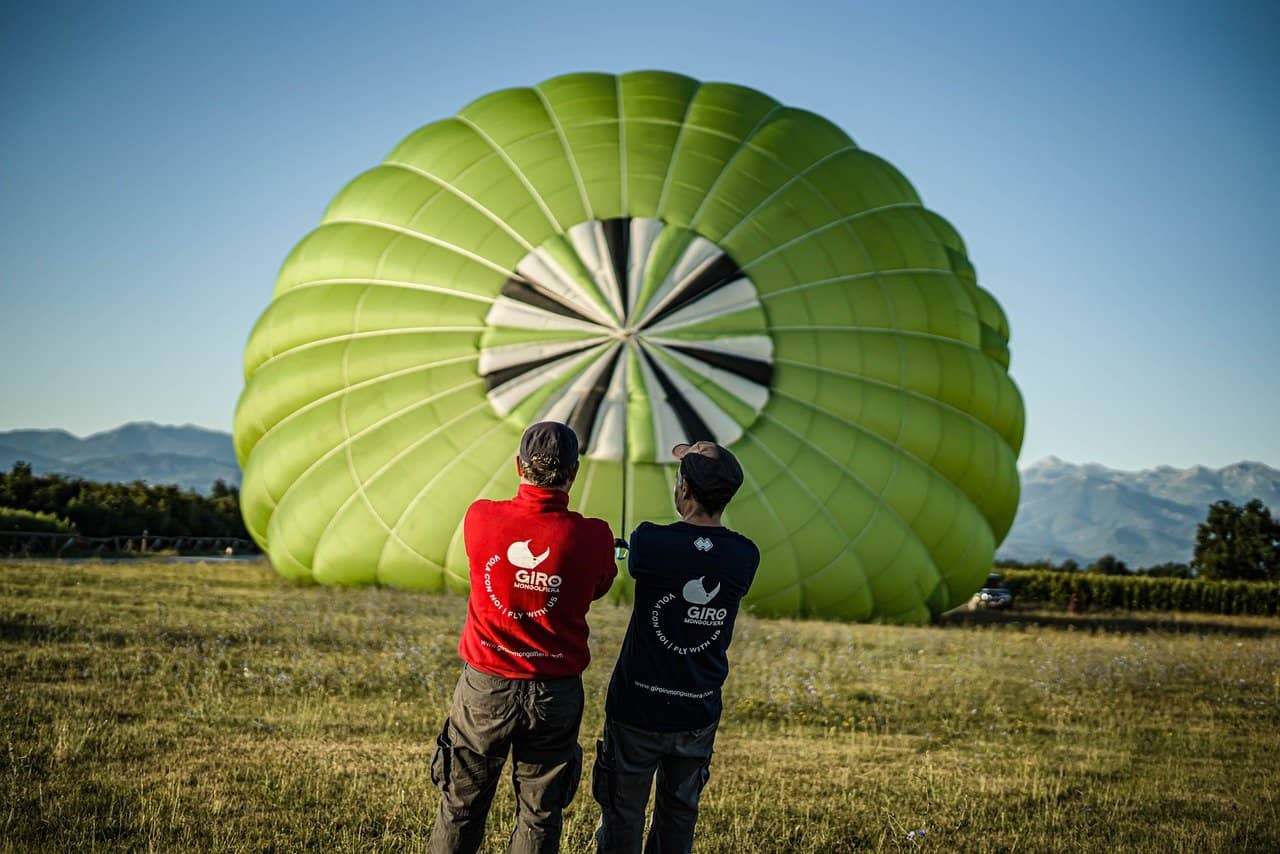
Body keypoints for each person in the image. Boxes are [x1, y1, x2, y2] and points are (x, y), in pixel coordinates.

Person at [428, 421, 618, 854]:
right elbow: (600, 585)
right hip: (555, 693)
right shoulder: (595, 535)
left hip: (486, 687)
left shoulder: (481, 516)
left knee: (461, 805)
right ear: (574, 473)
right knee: (540, 814)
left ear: (519, 466)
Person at [593, 441, 760, 854]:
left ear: (684, 490)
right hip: (697, 710)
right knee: (679, 813)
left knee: (622, 812)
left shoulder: (651, 541)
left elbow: (640, 562)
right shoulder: (744, 555)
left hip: (638, 707)